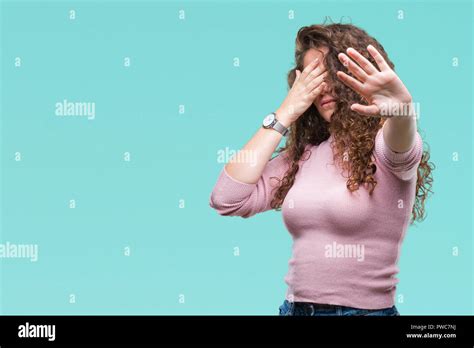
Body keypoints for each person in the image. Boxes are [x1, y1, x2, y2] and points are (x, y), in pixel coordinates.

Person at [209, 23, 434, 316]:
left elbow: (402, 145)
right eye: (312, 78)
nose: (323, 87)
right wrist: (286, 112)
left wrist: (403, 111)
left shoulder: (384, 148)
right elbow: (226, 198)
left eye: (331, 74)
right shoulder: (305, 156)